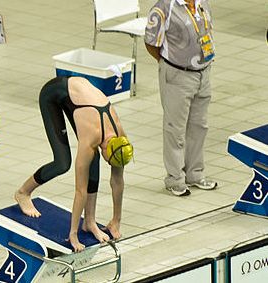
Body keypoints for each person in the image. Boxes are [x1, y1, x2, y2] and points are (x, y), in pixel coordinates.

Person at [14, 76, 133, 252]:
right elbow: (80, 191)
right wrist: (73, 234)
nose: (110, 164)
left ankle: (90, 222)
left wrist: (116, 220)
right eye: (110, 161)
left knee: (94, 158)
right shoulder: (91, 138)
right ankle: (23, 192)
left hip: (80, 100)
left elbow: (117, 181)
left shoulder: (120, 139)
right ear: (108, 149)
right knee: (62, 163)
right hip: (54, 93)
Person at [144, 0, 217, 196]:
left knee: (199, 126)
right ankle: (175, 179)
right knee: (174, 129)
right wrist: (170, 64)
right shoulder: (164, 7)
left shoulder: (202, 2)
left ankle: (195, 173)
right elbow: (151, 43)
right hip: (178, 75)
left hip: (203, 72)